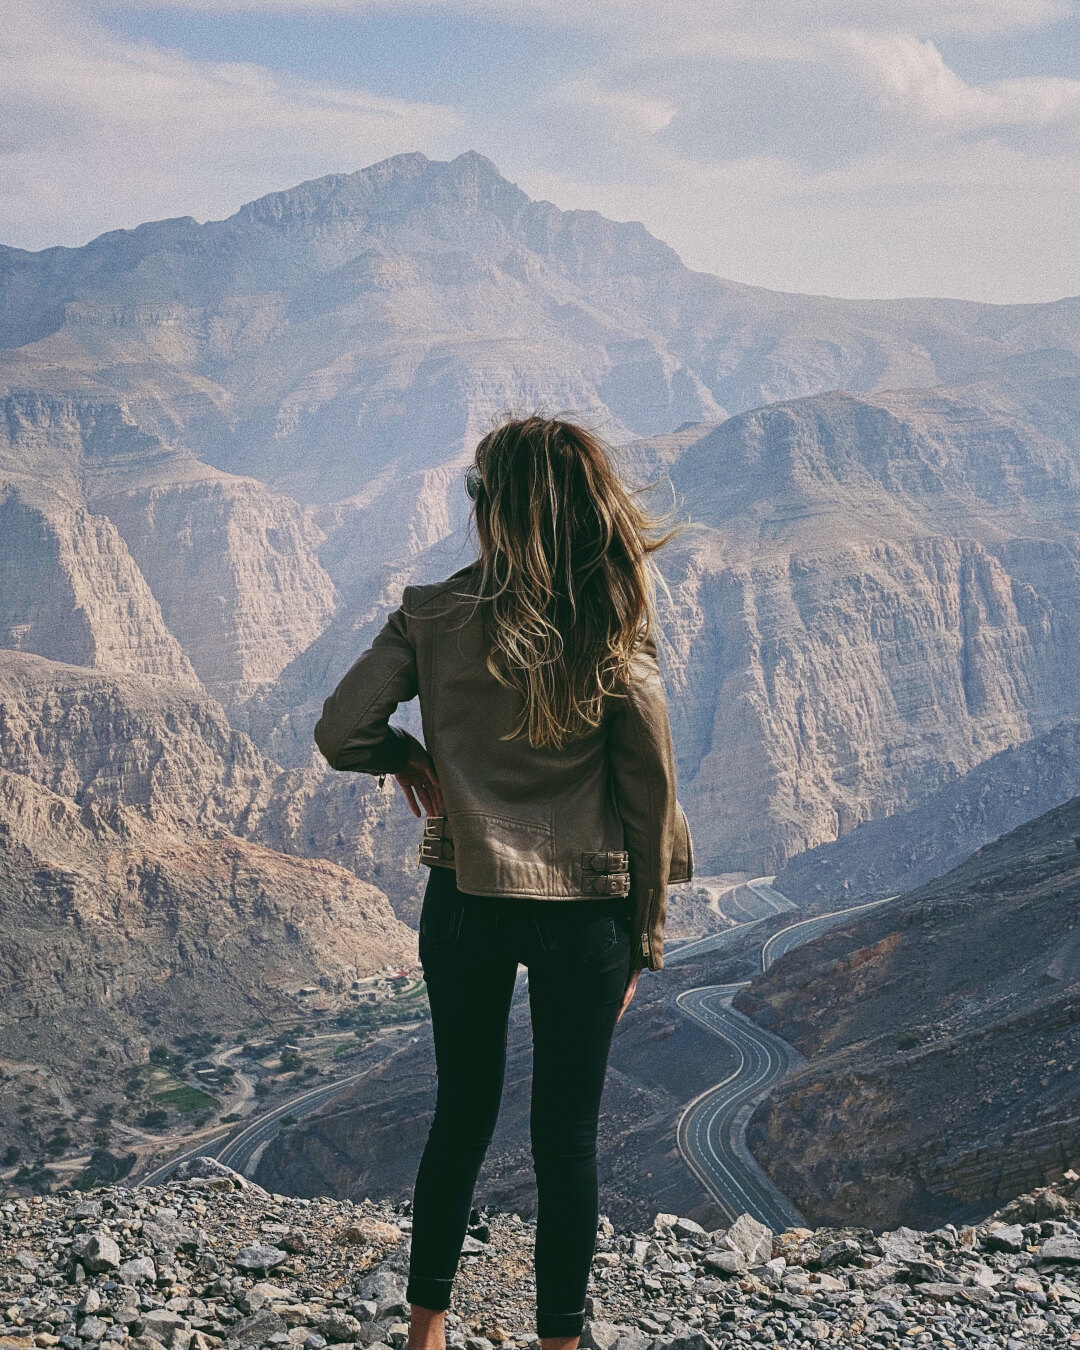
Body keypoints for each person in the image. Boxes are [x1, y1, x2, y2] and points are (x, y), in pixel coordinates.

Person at [313, 416, 693, 1350]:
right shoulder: (610, 627)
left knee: (460, 1119)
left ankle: (425, 1333)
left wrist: (403, 753)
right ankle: (559, 1344)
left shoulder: (432, 614)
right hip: (587, 917)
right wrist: (644, 935)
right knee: (565, 1140)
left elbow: (339, 731)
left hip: (465, 904)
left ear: (492, 511)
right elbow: (649, 801)